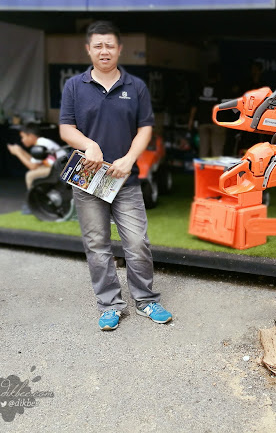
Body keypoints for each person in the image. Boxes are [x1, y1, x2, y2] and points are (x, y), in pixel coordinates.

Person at [59, 20, 172, 331]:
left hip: (125, 179)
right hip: (89, 177)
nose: (104, 50)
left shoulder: (135, 87)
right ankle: (109, 305)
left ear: (119, 49)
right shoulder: (74, 86)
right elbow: (66, 127)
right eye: (98, 45)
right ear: (89, 49)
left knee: (137, 242)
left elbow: (145, 128)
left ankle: (146, 299)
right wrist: (88, 144)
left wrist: (129, 158)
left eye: (110, 45)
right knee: (97, 244)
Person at [7, 123, 63, 213]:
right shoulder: (41, 142)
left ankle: (33, 204)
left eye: (23, 137)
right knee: (37, 170)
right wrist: (20, 150)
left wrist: (18, 153)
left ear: (31, 136)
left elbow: (32, 167)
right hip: (56, 167)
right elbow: (34, 163)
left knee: (30, 175)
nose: (22, 140)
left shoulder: (40, 145)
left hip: (60, 169)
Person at [188, 63, 226, 158]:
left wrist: (191, 121)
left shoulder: (200, 87)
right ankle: (215, 172)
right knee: (216, 152)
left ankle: (202, 172)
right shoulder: (222, 88)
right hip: (217, 123)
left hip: (202, 122)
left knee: (203, 152)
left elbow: (194, 106)